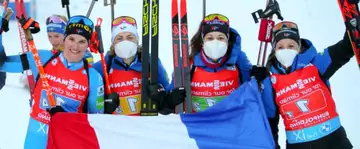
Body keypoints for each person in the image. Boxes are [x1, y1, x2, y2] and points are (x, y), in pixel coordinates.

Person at [0, 15, 109, 149]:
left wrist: (66, 118)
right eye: (71, 39)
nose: (75, 46)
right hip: (36, 136)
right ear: (64, 39)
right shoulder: (43, 58)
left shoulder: (93, 77)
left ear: (88, 44)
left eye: (82, 41)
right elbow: (3, 64)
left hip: (68, 140)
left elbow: (95, 121)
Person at [251, 21, 354, 149]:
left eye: (291, 45)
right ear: (274, 50)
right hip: (298, 145)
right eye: (280, 47)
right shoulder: (270, 80)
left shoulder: (316, 64)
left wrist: (353, 25)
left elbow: (344, 49)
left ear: (299, 47)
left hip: (334, 142)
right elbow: (269, 121)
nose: (286, 50)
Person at [92, 16, 182, 115]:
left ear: (137, 40)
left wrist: (165, 98)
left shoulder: (150, 62)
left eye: (130, 37)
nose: (125, 42)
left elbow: (165, 93)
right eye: (119, 38)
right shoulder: (102, 67)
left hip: (144, 126)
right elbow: (90, 107)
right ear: (113, 43)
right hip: (115, 128)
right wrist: (104, 107)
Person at [164, 13, 253, 113]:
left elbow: (252, 92)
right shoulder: (188, 63)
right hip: (199, 124)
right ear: (202, 41)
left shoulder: (238, 59)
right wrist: (168, 100)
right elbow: (169, 99)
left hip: (231, 123)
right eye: (210, 38)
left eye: (221, 38)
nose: (215, 42)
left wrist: (260, 78)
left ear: (228, 41)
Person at [20, 14, 94, 88]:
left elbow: (86, 79)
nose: (53, 41)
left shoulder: (82, 53)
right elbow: (24, 79)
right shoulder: (51, 55)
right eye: (49, 36)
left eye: (57, 36)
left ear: (66, 35)